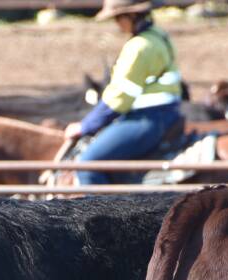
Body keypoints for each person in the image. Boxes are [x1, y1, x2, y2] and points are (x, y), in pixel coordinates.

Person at [64, 0, 184, 185]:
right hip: (166, 114)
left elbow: (120, 98)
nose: (117, 24)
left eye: (118, 18)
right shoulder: (159, 36)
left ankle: (102, 214)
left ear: (131, 16)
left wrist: (86, 126)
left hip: (146, 119)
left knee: (87, 166)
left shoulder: (139, 47)